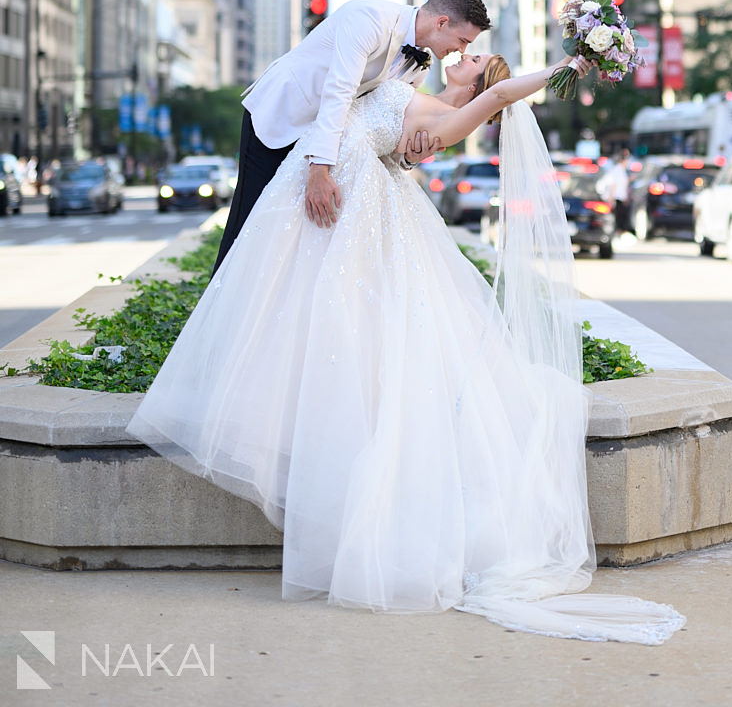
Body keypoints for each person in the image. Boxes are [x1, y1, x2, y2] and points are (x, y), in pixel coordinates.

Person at [126, 51, 684, 645]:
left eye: (476, 59)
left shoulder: (457, 113)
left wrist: (568, 64)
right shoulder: (423, 99)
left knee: (363, 344)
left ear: (479, 81)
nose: (462, 56)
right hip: (342, 204)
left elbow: (499, 98)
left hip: (358, 216)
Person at [211, 0, 491, 273]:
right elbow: (339, 91)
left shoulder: (421, 65)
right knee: (248, 225)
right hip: (281, 116)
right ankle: (219, 310)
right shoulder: (369, 18)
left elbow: (384, 120)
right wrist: (319, 170)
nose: (462, 51)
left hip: (323, 138)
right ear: (442, 22)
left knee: (287, 236)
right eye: (462, 40)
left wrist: (410, 156)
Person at [596, 148, 631, 234]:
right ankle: (618, 234)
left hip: (620, 198)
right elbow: (613, 184)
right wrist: (611, 198)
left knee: (621, 217)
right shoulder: (617, 170)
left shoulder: (621, 170)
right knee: (618, 218)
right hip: (616, 198)